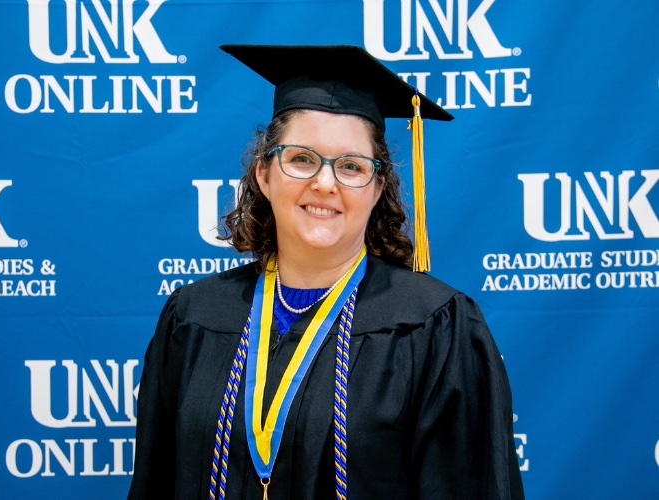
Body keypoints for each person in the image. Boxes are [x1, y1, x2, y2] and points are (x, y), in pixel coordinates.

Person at [129, 44, 524, 499]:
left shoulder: (433, 325)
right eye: (301, 158)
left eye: (352, 166)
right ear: (264, 174)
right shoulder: (194, 317)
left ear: (378, 187)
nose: (324, 182)